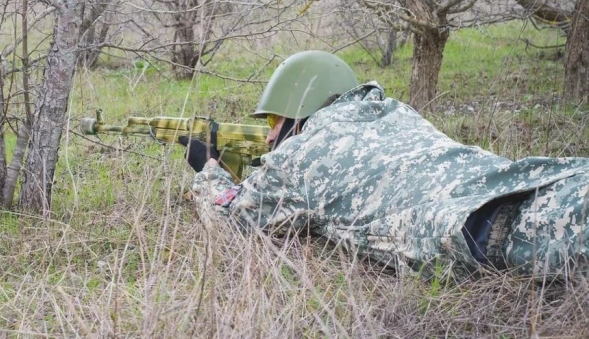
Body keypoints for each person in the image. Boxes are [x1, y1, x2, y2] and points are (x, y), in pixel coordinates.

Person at [179, 51, 589, 279]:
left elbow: (233, 222)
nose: (269, 137)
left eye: (273, 122)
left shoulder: (302, 155)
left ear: (300, 111)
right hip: (545, 175)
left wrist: (208, 169)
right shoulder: (392, 111)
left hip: (501, 224)